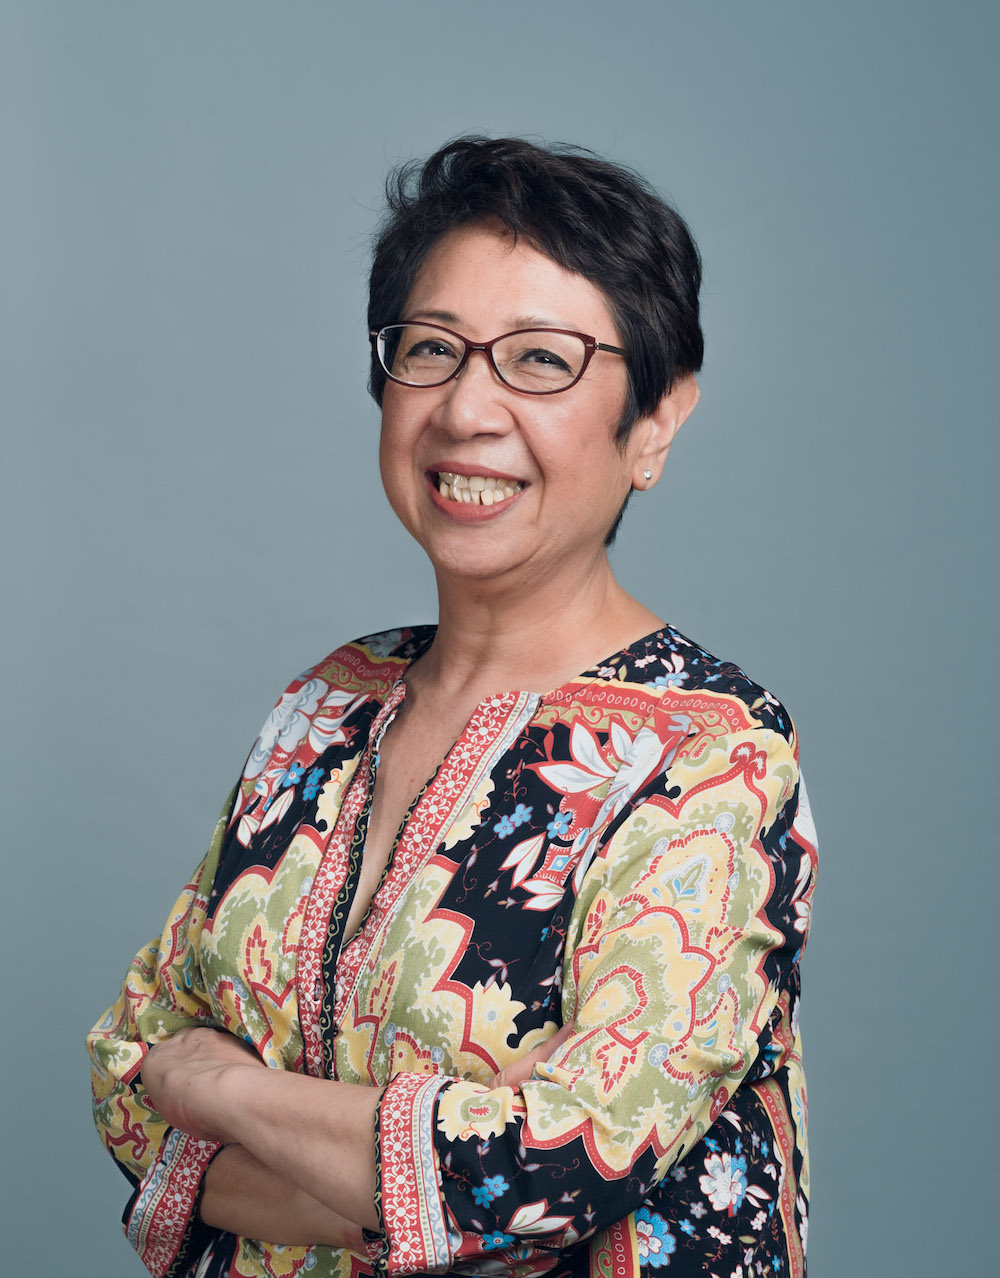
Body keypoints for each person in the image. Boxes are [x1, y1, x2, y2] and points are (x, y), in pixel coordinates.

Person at [88, 136, 818, 1278]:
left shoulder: (708, 752)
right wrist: (401, 1170)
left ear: (658, 420)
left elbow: (546, 1166)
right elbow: (128, 1073)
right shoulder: (326, 707)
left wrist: (224, 1088)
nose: (468, 408)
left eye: (541, 361)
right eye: (431, 350)